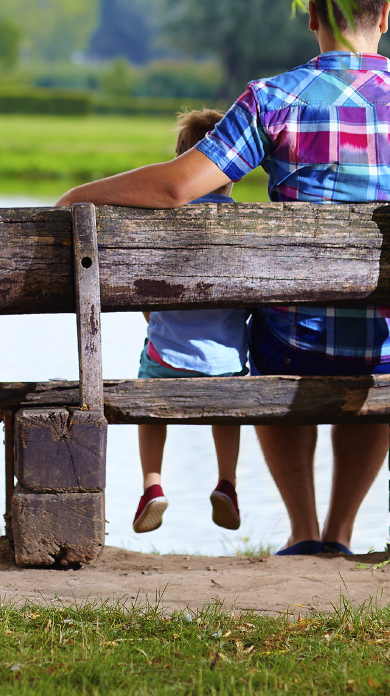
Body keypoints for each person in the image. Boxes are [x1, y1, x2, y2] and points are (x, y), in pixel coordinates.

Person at [55, 0, 390, 556]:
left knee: (281, 332)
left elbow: (178, 188)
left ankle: (303, 533)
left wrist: (77, 196)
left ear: (312, 15)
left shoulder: (275, 100)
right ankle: (341, 533)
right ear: (384, 17)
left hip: (295, 343)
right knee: (386, 340)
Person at [130, 108, 251, 536]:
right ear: (232, 170)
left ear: (182, 160)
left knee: (147, 393)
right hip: (225, 366)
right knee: (230, 402)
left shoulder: (158, 221)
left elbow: (140, 295)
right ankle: (227, 482)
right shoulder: (246, 226)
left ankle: (153, 485)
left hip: (165, 359)